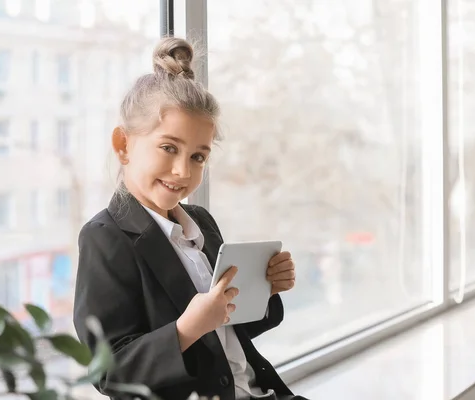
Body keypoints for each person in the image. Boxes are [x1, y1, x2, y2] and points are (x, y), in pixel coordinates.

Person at [73, 37, 308, 400]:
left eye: (198, 157)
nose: (182, 171)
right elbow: (108, 372)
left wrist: (265, 289)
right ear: (123, 145)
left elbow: (228, 334)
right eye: (169, 148)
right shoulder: (105, 237)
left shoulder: (201, 221)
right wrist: (186, 329)